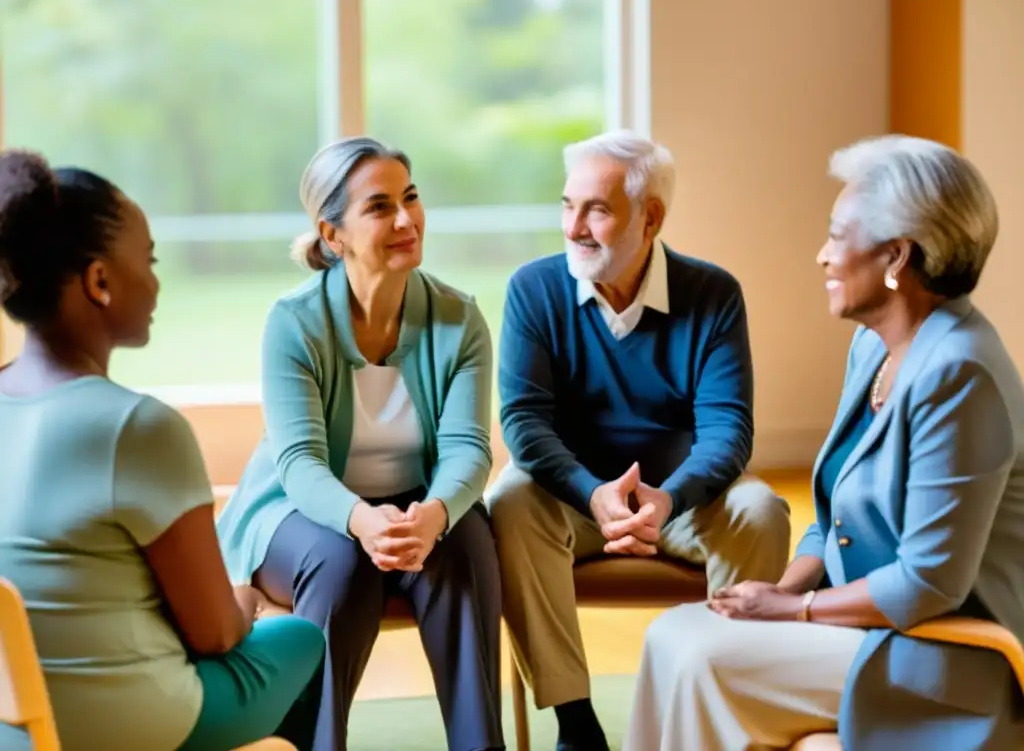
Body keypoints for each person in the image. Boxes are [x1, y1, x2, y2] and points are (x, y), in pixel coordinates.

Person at [625, 134, 1024, 751]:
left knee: (707, 661)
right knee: (673, 635)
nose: (821, 255)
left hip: (946, 653)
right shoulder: (874, 347)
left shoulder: (960, 374)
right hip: (872, 627)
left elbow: (930, 583)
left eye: (838, 235)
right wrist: (783, 588)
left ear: (896, 256)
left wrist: (791, 612)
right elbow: (834, 516)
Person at [0, 150, 325, 751]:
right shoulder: (137, 427)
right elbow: (214, 635)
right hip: (129, 723)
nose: (155, 279)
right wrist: (242, 602)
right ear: (99, 282)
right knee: (303, 641)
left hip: (17, 726)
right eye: (147, 261)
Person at [485, 129, 791, 751]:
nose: (574, 227)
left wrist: (668, 499)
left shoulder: (713, 294)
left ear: (649, 218)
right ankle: (576, 724)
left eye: (596, 209)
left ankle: (719, 698)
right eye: (568, 206)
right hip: (572, 499)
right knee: (509, 503)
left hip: (682, 502)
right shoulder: (533, 290)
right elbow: (523, 420)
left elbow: (729, 429)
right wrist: (590, 491)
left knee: (761, 511)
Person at [215, 137, 504, 751]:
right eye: (379, 207)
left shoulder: (460, 318)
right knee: (342, 563)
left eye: (411, 197)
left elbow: (469, 451)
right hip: (299, 513)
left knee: (467, 545)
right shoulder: (293, 322)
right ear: (332, 233)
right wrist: (359, 520)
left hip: (419, 506)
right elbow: (298, 464)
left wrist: (435, 514)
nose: (406, 220)